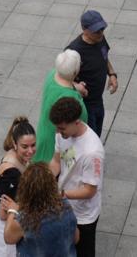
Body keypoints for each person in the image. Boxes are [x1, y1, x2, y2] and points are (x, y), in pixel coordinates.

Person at [48, 96, 104, 257]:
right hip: (63, 205)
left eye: (62, 128)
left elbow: (89, 190)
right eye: (57, 128)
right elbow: (56, 161)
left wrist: (61, 195)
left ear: (77, 122)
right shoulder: (62, 134)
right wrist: (46, 180)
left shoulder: (92, 152)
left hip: (84, 215)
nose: (58, 132)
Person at [0, 117, 36, 257]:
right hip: (1, 224)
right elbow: (3, 214)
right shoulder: (11, 174)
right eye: (25, 146)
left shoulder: (16, 155)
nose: (30, 151)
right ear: (15, 144)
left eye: (33, 145)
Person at [0, 161, 78, 255]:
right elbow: (76, 238)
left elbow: (8, 238)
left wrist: (13, 211)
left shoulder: (24, 220)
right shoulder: (66, 207)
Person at [67, 11, 118, 138]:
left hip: (98, 100)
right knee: (90, 137)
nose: (101, 33)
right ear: (84, 29)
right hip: (84, 104)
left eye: (102, 29)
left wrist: (111, 74)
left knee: (97, 133)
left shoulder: (100, 39)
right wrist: (76, 86)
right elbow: (62, 79)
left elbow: (104, 57)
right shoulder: (74, 51)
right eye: (96, 31)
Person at [33, 49, 87, 165]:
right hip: (61, 146)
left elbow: (65, 82)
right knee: (59, 173)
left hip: (44, 135)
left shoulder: (52, 74)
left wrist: (76, 87)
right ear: (75, 72)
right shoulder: (72, 99)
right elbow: (80, 126)